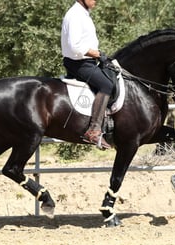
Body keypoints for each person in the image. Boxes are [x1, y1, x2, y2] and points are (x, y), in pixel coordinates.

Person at [61, 0, 113, 150]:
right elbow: (75, 46)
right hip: (79, 63)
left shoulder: (83, 14)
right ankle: (94, 131)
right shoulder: (75, 15)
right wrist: (98, 54)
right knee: (106, 85)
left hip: (87, 62)